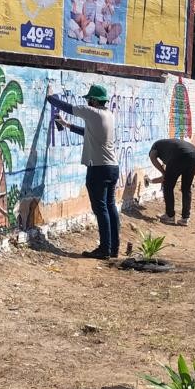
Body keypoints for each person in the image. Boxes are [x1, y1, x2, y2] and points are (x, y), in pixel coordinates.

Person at [48, 84, 119, 259]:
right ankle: (113, 248)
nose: (87, 101)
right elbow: (87, 133)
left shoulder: (92, 112)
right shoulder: (108, 115)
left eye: (89, 99)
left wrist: (50, 97)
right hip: (112, 167)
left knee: (100, 208)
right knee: (110, 206)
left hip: (98, 168)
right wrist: (66, 124)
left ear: (94, 101)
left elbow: (68, 107)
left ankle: (104, 249)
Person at [148, 138, 195, 225]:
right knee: (186, 188)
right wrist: (163, 175)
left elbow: (152, 157)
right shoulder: (168, 146)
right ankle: (185, 218)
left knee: (168, 186)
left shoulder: (155, 146)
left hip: (180, 155)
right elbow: (168, 174)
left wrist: (163, 173)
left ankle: (169, 216)